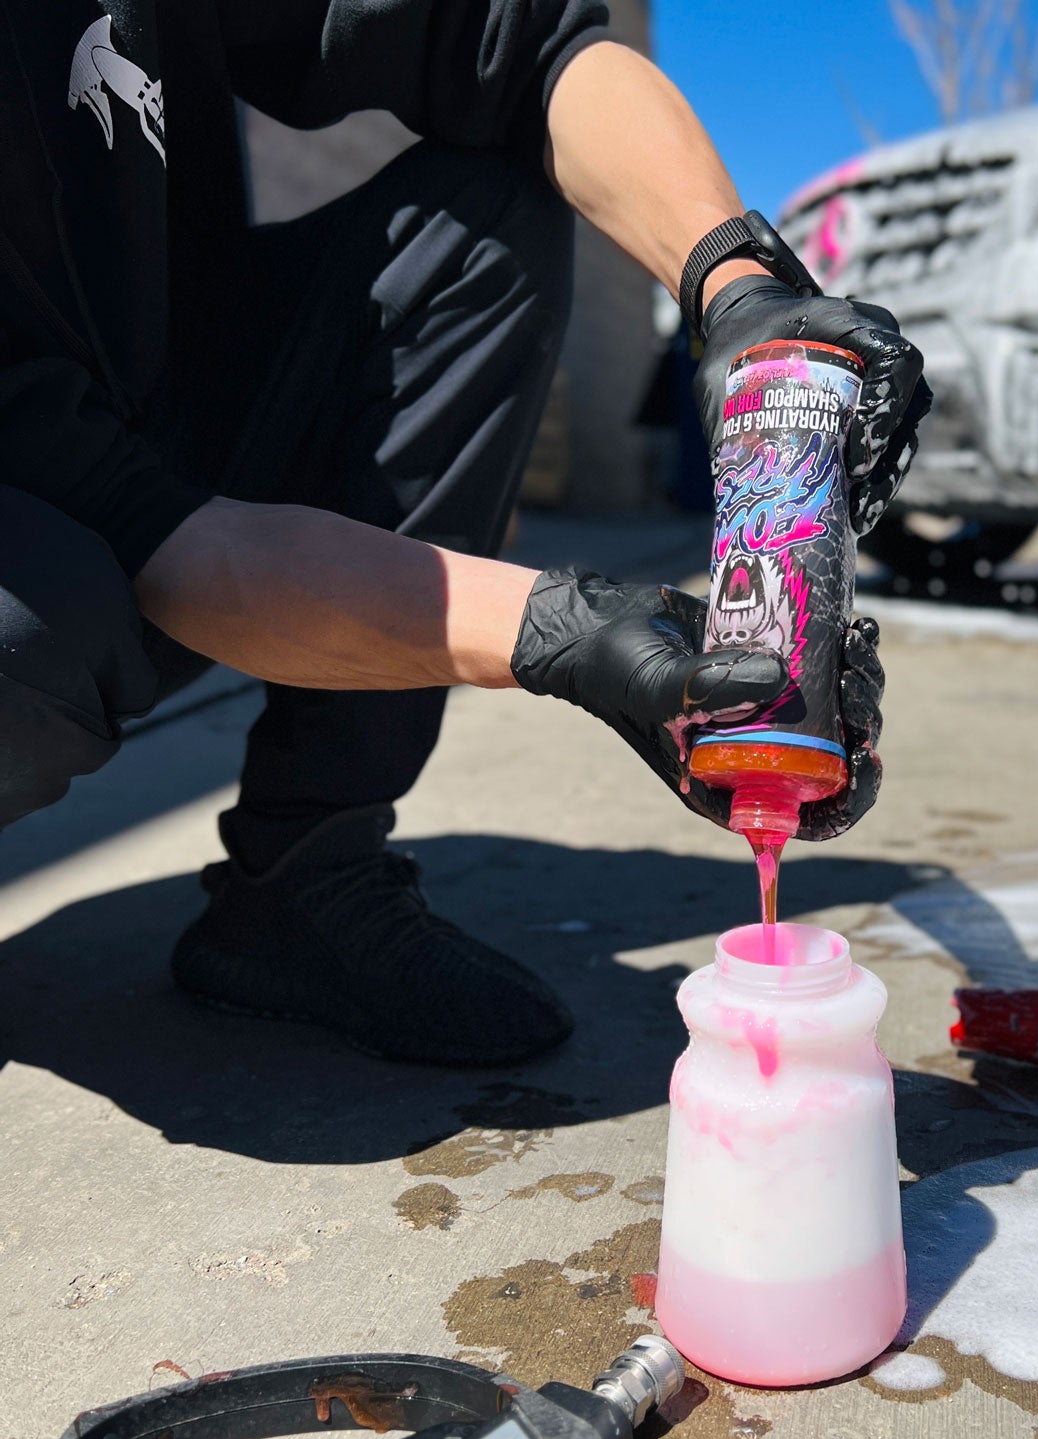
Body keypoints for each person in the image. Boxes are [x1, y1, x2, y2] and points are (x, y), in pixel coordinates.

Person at [0, 1, 929, 1067]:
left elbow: (527, 47)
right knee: (37, 615)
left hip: (133, 434)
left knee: (488, 215)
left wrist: (739, 289)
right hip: (38, 532)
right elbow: (136, 530)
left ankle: (306, 876)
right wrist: (561, 634)